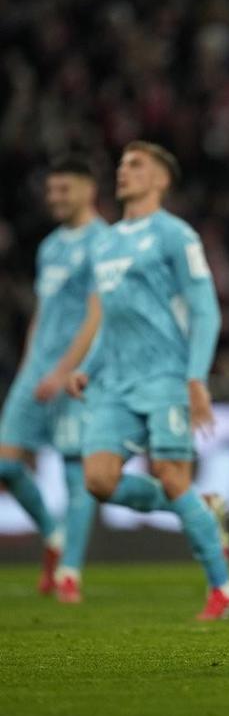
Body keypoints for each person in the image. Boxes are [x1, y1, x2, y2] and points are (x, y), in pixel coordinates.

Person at [67, 141, 229, 621]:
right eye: (122, 164)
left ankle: (224, 591)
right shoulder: (104, 243)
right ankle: (201, 507)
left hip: (165, 377)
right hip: (114, 384)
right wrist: (88, 366)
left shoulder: (176, 235)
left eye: (136, 165)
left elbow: (205, 310)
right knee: (98, 480)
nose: (123, 171)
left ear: (161, 179)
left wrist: (196, 379)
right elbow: (111, 318)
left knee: (169, 475)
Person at [0, 156, 108, 602]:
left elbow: (97, 316)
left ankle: (69, 571)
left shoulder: (104, 242)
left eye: (63, 189)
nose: (55, 198)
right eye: (51, 190)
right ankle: (54, 534)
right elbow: (42, 313)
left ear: (87, 189)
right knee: (6, 464)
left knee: (74, 472)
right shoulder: (50, 246)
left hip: (75, 375)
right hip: (37, 371)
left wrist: (64, 370)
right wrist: (31, 365)